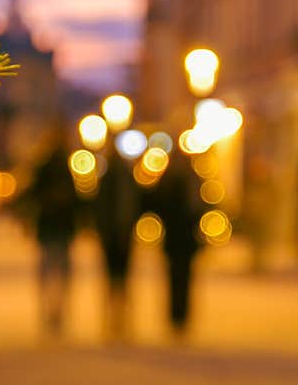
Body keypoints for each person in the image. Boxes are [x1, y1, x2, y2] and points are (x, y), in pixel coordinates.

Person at [24, 130, 81, 338]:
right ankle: (56, 310)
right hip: (58, 228)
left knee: (49, 271)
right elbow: (75, 200)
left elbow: (32, 195)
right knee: (59, 272)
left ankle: (51, 310)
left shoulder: (45, 166)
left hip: (51, 228)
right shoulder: (63, 168)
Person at [147, 149, 204, 338]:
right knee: (178, 278)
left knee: (182, 278)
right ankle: (177, 316)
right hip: (179, 239)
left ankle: (180, 316)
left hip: (181, 239)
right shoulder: (182, 181)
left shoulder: (182, 181)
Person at [91, 145, 141, 341]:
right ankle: (118, 320)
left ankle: (116, 319)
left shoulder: (110, 180)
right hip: (119, 234)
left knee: (114, 279)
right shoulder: (124, 179)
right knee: (120, 279)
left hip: (115, 234)